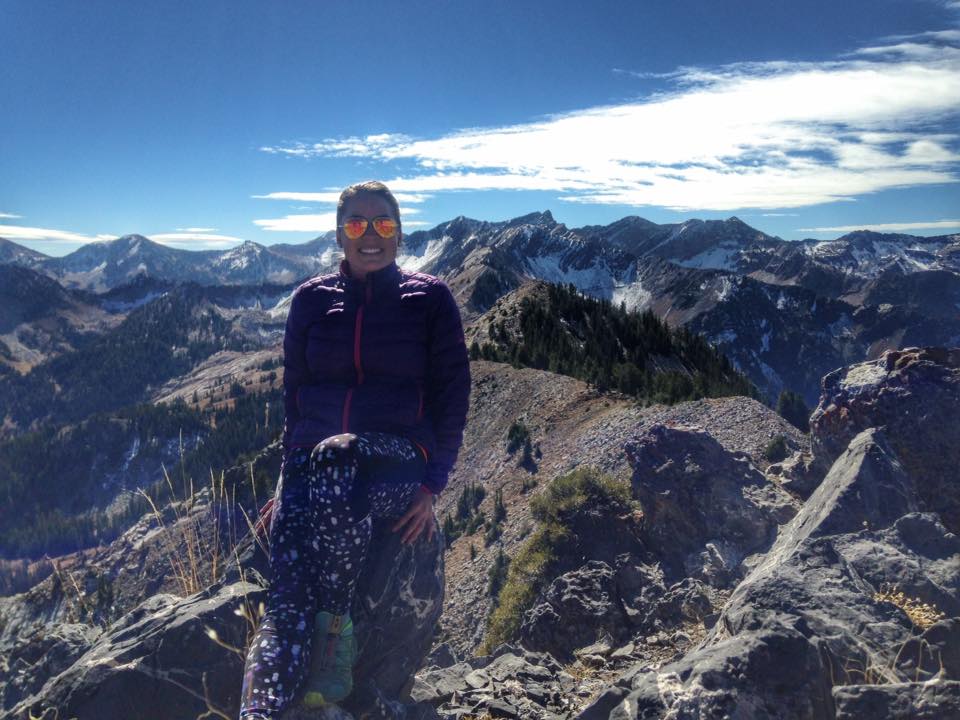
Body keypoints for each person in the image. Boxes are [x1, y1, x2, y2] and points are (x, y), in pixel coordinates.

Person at [239, 181, 471, 719]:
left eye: (383, 224)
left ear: (400, 232)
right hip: (311, 462)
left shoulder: (429, 298)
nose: (371, 235)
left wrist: (433, 484)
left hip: (390, 462)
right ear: (339, 234)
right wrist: (286, 479)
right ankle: (260, 709)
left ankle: (336, 627)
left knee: (339, 455)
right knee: (285, 604)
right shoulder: (311, 300)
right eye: (357, 224)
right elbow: (294, 396)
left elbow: (452, 393)